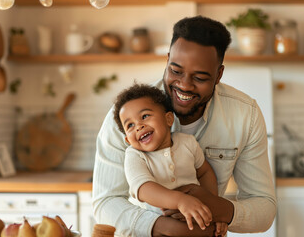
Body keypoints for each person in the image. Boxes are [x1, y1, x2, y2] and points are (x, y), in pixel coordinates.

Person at [92, 15, 276, 237]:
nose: (184, 85)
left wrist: (220, 210)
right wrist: (160, 225)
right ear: (168, 60)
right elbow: (104, 203)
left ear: (218, 75)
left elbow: (264, 208)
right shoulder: (126, 117)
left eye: (199, 77)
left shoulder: (246, 114)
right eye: (176, 71)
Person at [113, 83, 228, 236]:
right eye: (130, 125)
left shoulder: (188, 143)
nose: (139, 126)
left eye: (145, 116)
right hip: (156, 227)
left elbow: (205, 172)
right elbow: (143, 189)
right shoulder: (135, 156)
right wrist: (180, 201)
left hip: (192, 221)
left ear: (168, 119)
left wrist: (212, 206)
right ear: (128, 140)